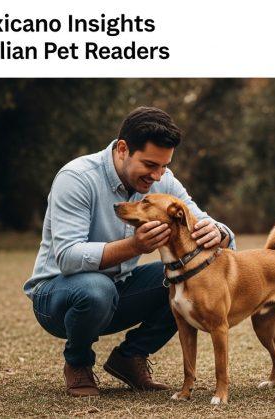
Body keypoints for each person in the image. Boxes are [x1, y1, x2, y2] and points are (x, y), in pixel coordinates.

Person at [24, 106, 236, 397]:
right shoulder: (76, 178)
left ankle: (130, 357)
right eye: (151, 165)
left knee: (181, 280)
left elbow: (202, 220)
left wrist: (219, 232)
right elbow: (68, 257)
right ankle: (78, 363)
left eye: (164, 166)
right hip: (57, 297)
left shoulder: (161, 179)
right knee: (95, 288)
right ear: (123, 149)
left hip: (119, 289)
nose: (159, 176)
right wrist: (134, 246)